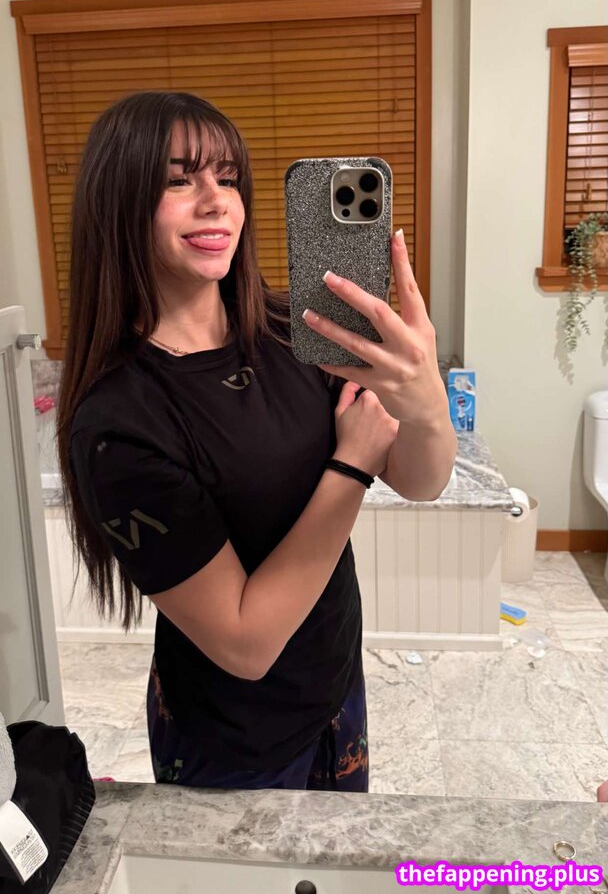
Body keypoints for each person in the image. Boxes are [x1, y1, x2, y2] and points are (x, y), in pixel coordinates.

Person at [57, 90, 453, 791]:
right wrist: (351, 466)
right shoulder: (119, 424)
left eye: (228, 176)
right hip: (234, 739)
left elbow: (422, 480)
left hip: (335, 690)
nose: (217, 201)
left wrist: (425, 405)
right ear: (118, 204)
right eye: (178, 180)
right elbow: (245, 643)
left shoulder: (295, 331)